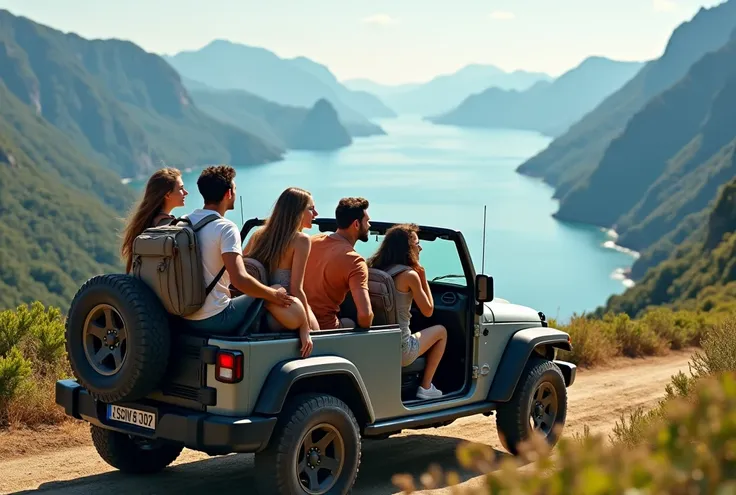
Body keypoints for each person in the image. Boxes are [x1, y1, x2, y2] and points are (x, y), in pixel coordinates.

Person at [181, 165, 301, 340]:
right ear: (229, 193)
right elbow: (239, 280)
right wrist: (273, 294)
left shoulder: (184, 221)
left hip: (184, 316)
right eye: (235, 189)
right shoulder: (225, 228)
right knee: (267, 292)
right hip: (215, 319)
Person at [366, 223, 447, 400]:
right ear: (407, 248)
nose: (420, 247)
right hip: (402, 349)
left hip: (376, 344)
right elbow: (428, 311)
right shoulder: (410, 275)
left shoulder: (373, 269)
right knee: (441, 331)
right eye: (416, 244)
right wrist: (423, 278)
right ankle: (425, 387)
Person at [244, 187, 319, 356]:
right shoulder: (301, 240)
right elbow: (296, 288)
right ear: (297, 212)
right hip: (284, 311)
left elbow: (243, 268)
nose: (315, 213)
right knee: (319, 335)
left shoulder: (258, 234)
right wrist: (305, 328)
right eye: (311, 208)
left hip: (255, 312)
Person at [303, 197, 373, 330]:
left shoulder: (311, 241)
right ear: (356, 224)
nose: (369, 225)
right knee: (350, 323)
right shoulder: (355, 261)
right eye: (367, 221)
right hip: (324, 328)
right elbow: (365, 316)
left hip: (299, 320)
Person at [121, 167, 188, 274]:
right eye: (181, 188)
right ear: (167, 194)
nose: (186, 192)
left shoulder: (145, 223)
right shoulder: (172, 227)